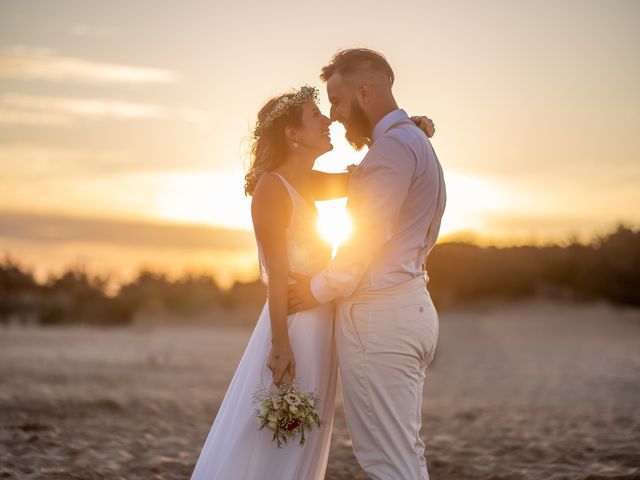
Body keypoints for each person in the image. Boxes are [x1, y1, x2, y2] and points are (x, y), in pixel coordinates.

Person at [189, 82, 435, 479]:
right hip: (296, 323)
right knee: (275, 430)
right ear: (291, 134)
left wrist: (409, 130)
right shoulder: (271, 187)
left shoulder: (313, 181)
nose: (328, 121)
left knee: (304, 430)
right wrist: (281, 343)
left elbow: (373, 174)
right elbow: (278, 274)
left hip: (323, 322)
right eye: (316, 116)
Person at [288, 49, 446, 480]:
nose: (334, 116)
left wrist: (316, 289)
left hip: (381, 320)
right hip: (407, 306)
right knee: (402, 453)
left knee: (387, 460)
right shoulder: (408, 142)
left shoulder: (394, 148)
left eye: (337, 101)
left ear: (364, 91)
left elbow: (365, 238)